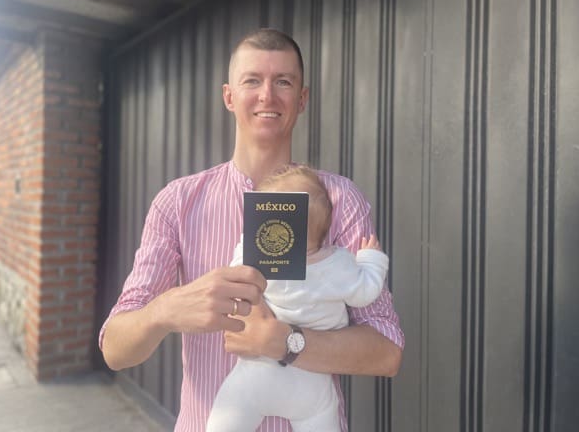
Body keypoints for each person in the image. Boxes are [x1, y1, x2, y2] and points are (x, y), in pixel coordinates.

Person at [99, 28, 404, 432]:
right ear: (229, 96)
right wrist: (166, 310)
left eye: (283, 82)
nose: (267, 96)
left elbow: (387, 351)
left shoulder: (338, 198)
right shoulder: (178, 201)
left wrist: (286, 342)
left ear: (302, 98)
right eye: (252, 81)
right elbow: (115, 350)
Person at [206, 165, 389, 432]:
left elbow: (237, 274)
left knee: (226, 418)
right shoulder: (338, 263)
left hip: (255, 376)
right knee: (322, 418)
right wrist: (371, 260)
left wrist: (247, 243)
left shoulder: (258, 263)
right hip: (311, 385)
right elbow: (365, 292)